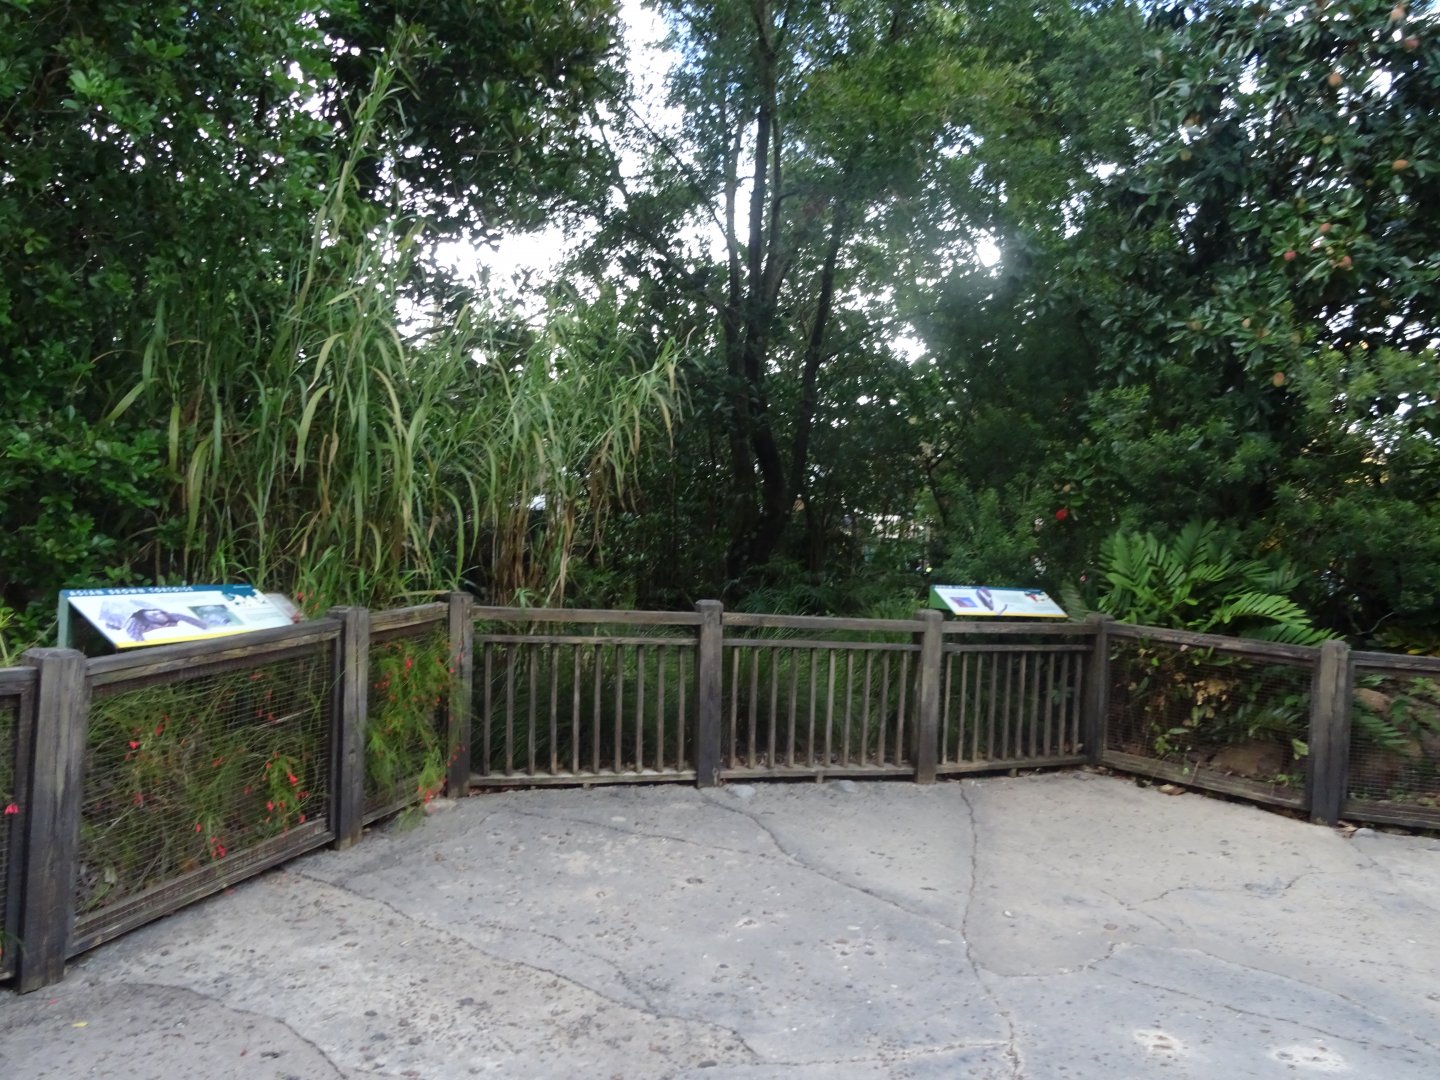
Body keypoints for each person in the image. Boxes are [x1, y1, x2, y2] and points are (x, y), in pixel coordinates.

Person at [124, 607, 207, 642]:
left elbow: (194, 621)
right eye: (155, 614)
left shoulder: (170, 615)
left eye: (159, 612)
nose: (159, 614)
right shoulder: (135, 621)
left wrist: (205, 628)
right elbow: (135, 638)